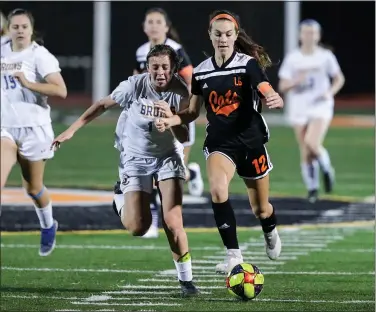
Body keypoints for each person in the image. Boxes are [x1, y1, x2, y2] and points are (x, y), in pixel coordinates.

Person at [52, 44, 199, 297]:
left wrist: (172, 118)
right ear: (147, 68)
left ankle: (187, 282)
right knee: (138, 228)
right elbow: (101, 104)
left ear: (173, 68)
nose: (160, 72)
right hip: (135, 158)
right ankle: (120, 199)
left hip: (168, 157)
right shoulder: (133, 85)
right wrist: (72, 130)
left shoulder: (180, 91)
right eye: (155, 67)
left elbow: (184, 136)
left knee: (173, 221)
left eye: (165, 67)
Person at [155, 10, 283, 274]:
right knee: (217, 191)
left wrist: (274, 97)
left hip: (251, 142)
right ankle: (234, 256)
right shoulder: (202, 72)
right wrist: (172, 119)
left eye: (228, 34)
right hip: (220, 144)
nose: (223, 39)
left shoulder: (248, 64)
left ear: (236, 36)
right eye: (218, 34)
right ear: (210, 36)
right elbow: (192, 111)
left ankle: (269, 229)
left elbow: (264, 88)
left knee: (261, 208)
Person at [113, 7, 204, 239]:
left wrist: (181, 112)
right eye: (149, 22)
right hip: (148, 120)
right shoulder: (142, 51)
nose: (153, 26)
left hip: (174, 116)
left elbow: (191, 82)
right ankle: (151, 220)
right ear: (144, 27)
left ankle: (191, 173)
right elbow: (137, 81)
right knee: (152, 173)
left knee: (173, 175)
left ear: (166, 26)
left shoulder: (176, 50)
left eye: (158, 22)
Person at [1, 8, 67, 256]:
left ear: (31, 30)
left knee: (33, 188)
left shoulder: (40, 56)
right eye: (15, 26)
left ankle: (48, 225)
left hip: (35, 131)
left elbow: (61, 91)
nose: (19, 31)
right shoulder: (3, 49)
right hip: (6, 129)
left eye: (24, 27)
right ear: (8, 29)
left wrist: (28, 83)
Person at [278, 19, 345, 203]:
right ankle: (313, 188)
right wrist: (296, 81)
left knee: (312, 142)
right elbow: (283, 85)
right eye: (306, 32)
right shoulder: (293, 58)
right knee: (305, 149)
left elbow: (339, 78)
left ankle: (326, 168)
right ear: (300, 35)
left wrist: (329, 92)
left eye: (313, 33)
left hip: (320, 105)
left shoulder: (325, 56)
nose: (309, 36)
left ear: (318, 36)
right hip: (299, 106)